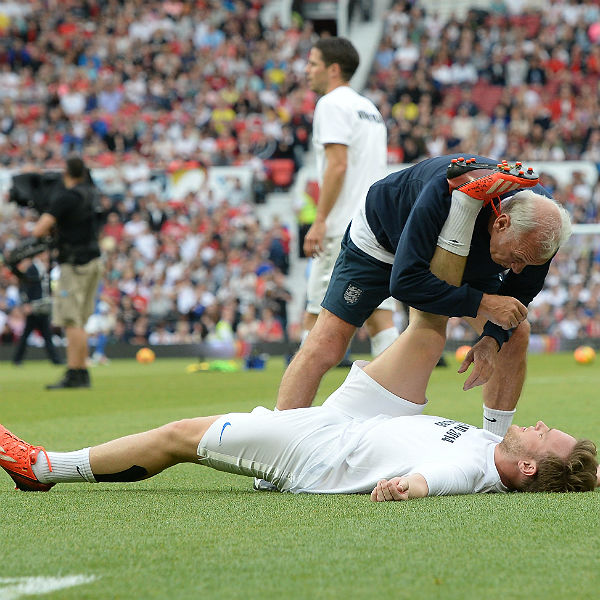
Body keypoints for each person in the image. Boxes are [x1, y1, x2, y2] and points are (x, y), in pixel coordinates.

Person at [277, 155, 573, 440]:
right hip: (383, 242)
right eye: (518, 258)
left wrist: (492, 339)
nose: (519, 270)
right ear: (501, 223)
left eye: (528, 264)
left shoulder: (543, 229)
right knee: (328, 342)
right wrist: (482, 303)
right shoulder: (443, 190)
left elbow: (518, 297)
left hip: (470, 251)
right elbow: (406, 284)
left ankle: (492, 448)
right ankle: (277, 441)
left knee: (515, 334)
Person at [301, 37, 398, 362]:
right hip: (377, 225)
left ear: (333, 69)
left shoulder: (331, 104)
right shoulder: (369, 109)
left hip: (343, 225)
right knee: (380, 315)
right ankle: (396, 398)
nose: (307, 70)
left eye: (313, 63)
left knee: (315, 314)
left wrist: (320, 219)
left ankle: (293, 408)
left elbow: (338, 164)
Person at [31, 155, 104, 389]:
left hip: (75, 265)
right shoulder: (91, 193)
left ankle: (75, 372)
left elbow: (39, 230)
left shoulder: (67, 197)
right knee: (80, 320)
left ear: (67, 173)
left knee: (71, 320)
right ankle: (82, 372)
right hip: (93, 261)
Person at [11, 251, 63, 366]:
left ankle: (55, 359)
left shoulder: (45, 267)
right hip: (34, 306)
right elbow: (25, 286)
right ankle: (17, 359)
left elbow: (46, 287)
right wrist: (26, 303)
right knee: (34, 334)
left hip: (43, 306)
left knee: (45, 334)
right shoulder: (32, 268)